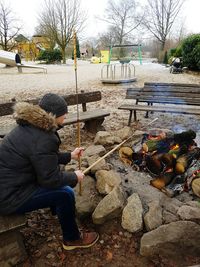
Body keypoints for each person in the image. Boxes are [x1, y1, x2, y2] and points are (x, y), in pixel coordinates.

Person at [0, 93, 99, 250]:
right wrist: (74, 176)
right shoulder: (43, 137)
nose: (66, 116)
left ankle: (58, 210)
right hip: (9, 197)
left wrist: (70, 155)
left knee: (59, 179)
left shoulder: (32, 126)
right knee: (65, 193)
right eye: (63, 114)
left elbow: (41, 157)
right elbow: (50, 179)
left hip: (10, 183)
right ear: (53, 115)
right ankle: (72, 239)